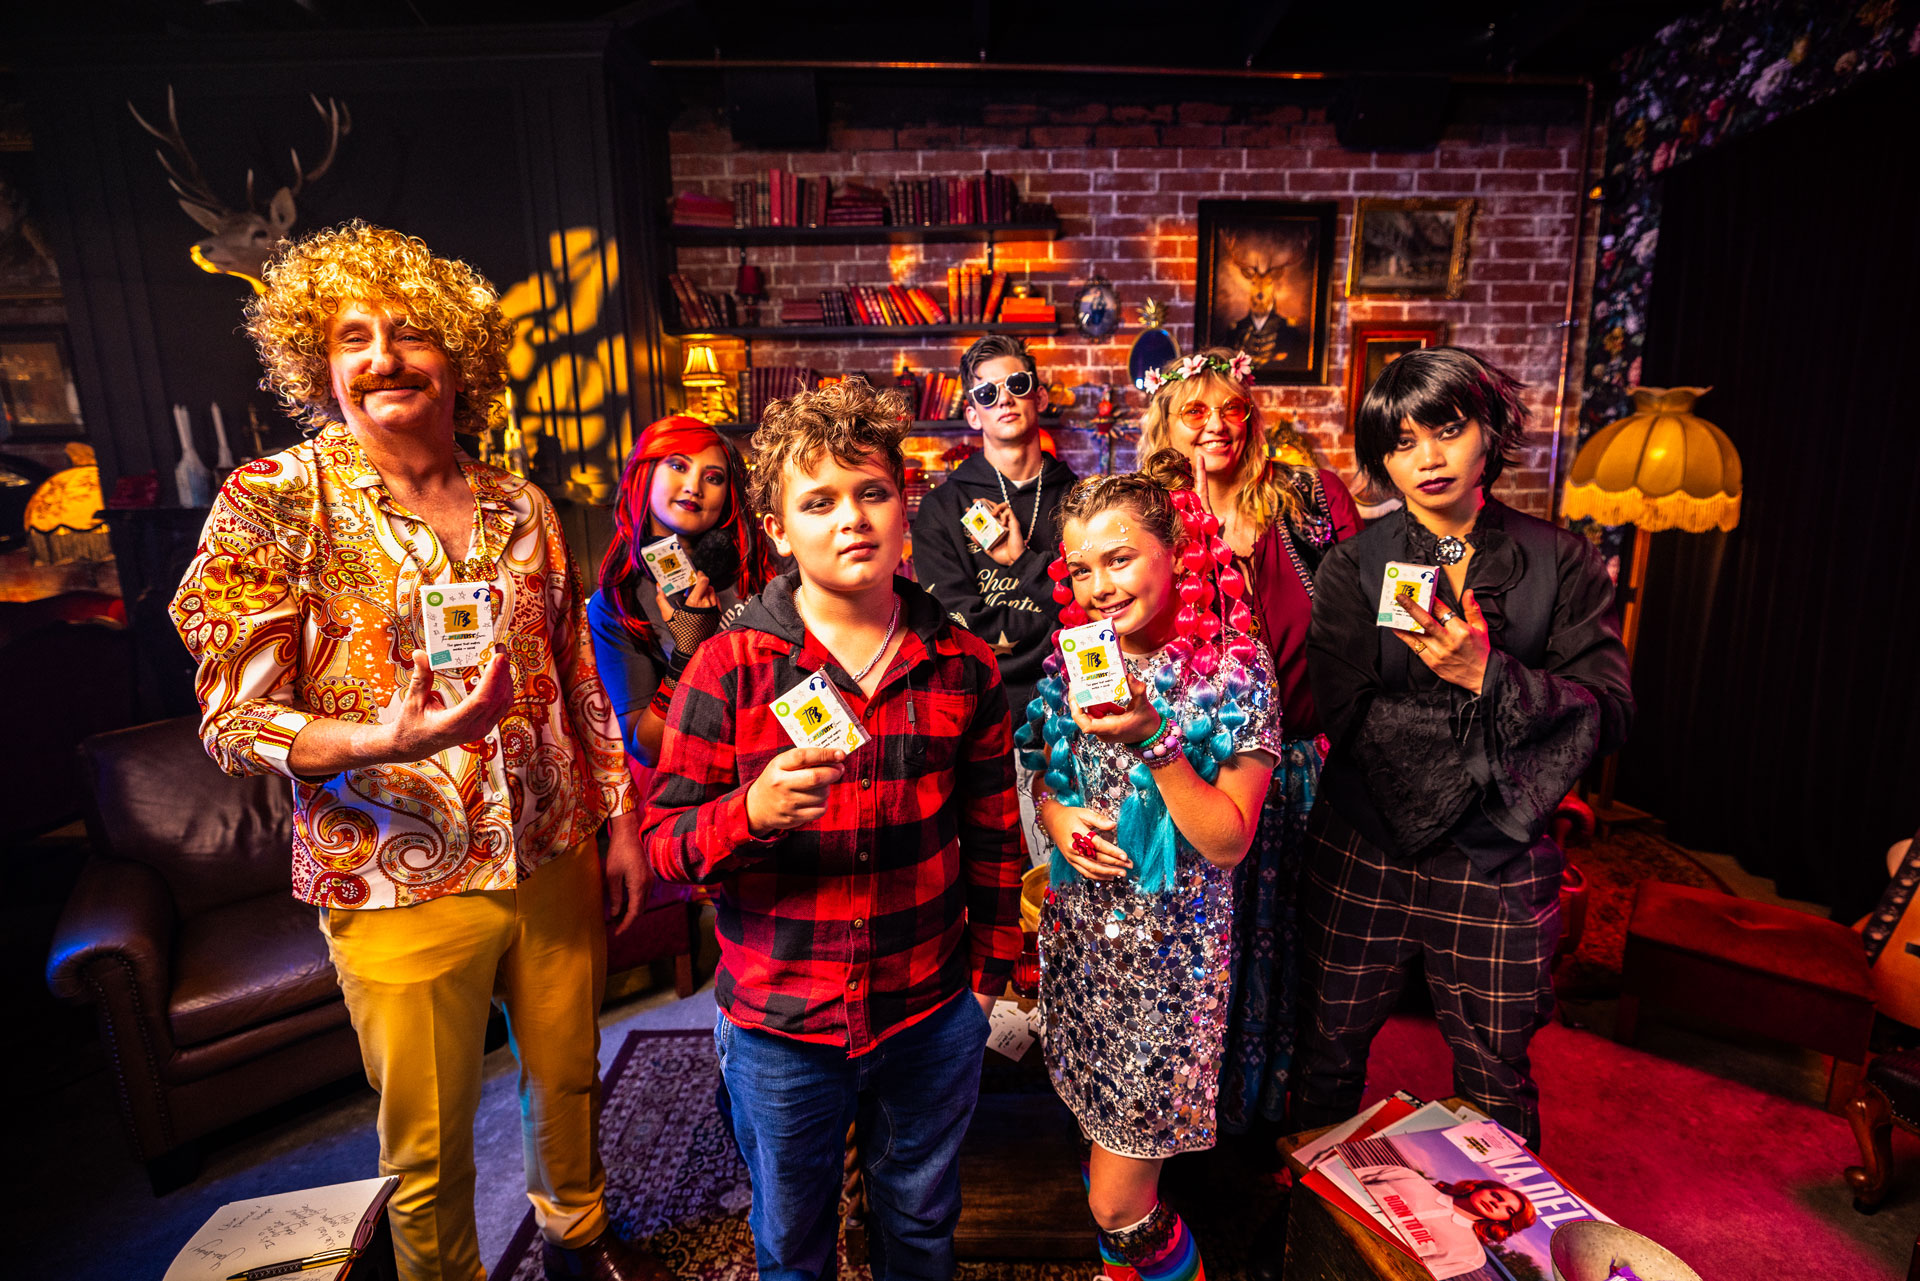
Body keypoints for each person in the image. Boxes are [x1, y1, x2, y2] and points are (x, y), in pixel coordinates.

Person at [168, 221, 662, 1281]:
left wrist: (619, 820)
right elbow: (233, 718)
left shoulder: (522, 505)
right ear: (319, 364)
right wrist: (376, 738)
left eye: (409, 333)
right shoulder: (273, 502)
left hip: (553, 850)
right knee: (427, 1141)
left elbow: (580, 678)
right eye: (352, 337)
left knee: (568, 1079)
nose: (382, 355)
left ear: (459, 360)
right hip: (392, 870)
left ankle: (579, 1240)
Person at [641, 378, 1024, 1280]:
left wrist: (987, 981)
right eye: (817, 501)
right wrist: (752, 813)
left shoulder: (962, 664)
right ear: (778, 529)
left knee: (921, 1221)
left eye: (872, 493)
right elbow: (665, 844)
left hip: (929, 1008)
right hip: (781, 1021)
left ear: (904, 507)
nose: (849, 518)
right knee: (791, 1238)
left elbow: (996, 832)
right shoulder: (729, 666)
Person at [1292, 347, 1633, 1150]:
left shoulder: (1563, 562)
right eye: (1402, 441)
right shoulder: (1353, 565)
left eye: (1446, 429)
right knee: (1325, 1054)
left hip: (1502, 858)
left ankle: (1496, 1258)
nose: (1427, 458)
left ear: (1490, 431)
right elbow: (1347, 711)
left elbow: (1608, 714)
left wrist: (1491, 675)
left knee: (1495, 1073)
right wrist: (1493, 735)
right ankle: (1315, 1237)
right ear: (1381, 459)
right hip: (1366, 845)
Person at [1025, 472, 1280, 1281]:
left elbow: (1230, 839)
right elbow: (1045, 777)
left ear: (1178, 550)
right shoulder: (1076, 655)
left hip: (1169, 967)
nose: (1100, 587)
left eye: (1121, 558)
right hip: (1081, 948)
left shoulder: (1234, 670)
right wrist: (1057, 818)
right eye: (1083, 569)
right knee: (1096, 1138)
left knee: (1118, 1201)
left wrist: (1155, 736)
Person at [1136, 347, 1362, 1138]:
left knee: (1296, 943)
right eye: (1196, 410)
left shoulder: (1305, 497)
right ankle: (1192, 1119)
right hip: (1196, 772)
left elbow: (1362, 608)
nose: (1217, 425)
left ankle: (1273, 1121)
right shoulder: (1151, 515)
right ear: (1166, 422)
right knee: (1202, 949)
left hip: (1298, 762)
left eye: (1232, 406)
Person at [911, 334, 1079, 867]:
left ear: (1041, 397)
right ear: (972, 414)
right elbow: (958, 623)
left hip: (1069, 716)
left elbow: (1094, 611)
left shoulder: (1083, 499)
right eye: (986, 394)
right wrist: (1051, 611)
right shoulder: (941, 508)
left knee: (1063, 879)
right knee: (988, 875)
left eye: (1017, 385)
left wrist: (1019, 562)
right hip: (980, 719)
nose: (1003, 398)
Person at [588, 414, 779, 774]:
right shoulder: (618, 606)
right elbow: (646, 748)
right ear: (645, 473)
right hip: (705, 784)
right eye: (678, 465)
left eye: (713, 477)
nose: (694, 486)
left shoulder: (764, 567)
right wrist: (689, 652)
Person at [1347, 1167, 1536, 1277]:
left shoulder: (1471, 1254)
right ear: (1482, 1187)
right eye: (1496, 1195)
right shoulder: (1408, 1177)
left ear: (1505, 1222)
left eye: (1508, 1211)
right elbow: (1337, 1171)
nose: (1496, 1203)